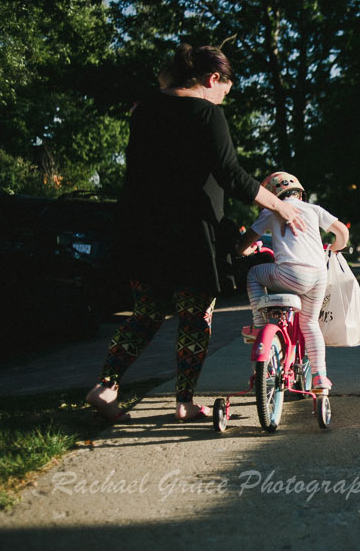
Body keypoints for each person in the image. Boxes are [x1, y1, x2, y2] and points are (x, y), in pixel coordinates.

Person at [86, 43, 305, 423]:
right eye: (223, 92)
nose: (221, 101)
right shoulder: (206, 114)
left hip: (140, 229)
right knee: (194, 319)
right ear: (212, 79)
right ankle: (184, 402)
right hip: (190, 234)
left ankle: (106, 386)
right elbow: (230, 174)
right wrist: (280, 205)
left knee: (145, 314)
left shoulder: (144, 111)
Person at [236, 171, 349, 393]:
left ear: (270, 195)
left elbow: (244, 243)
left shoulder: (271, 210)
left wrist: (246, 249)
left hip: (290, 274)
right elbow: (343, 232)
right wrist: (333, 249)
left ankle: (259, 324)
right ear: (300, 192)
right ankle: (320, 377)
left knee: (254, 274)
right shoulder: (314, 209)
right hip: (318, 276)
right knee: (310, 324)